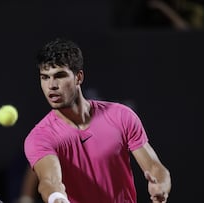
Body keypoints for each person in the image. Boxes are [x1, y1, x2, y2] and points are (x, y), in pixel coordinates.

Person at [24, 38, 171, 203]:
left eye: (59, 75)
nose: (51, 85)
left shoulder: (121, 116)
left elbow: (155, 167)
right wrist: (57, 198)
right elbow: (49, 181)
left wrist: (161, 185)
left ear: (78, 77)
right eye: (44, 77)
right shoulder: (39, 137)